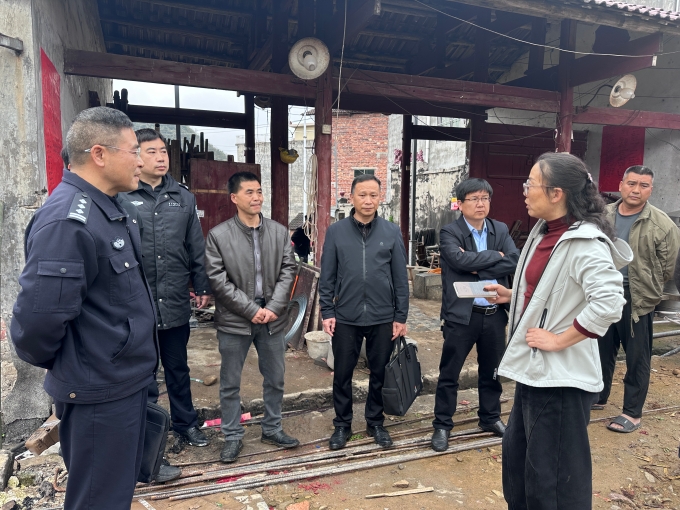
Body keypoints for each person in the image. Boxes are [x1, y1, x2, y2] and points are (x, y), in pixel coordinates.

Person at [10, 107, 161, 509]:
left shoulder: (108, 209)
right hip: (99, 393)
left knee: (114, 494)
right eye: (134, 151)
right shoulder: (68, 221)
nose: (142, 161)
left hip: (122, 383)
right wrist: (80, 362)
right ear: (99, 154)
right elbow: (37, 327)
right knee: (98, 500)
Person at [485, 152, 632, 510]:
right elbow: (552, 288)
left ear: (556, 193)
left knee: (553, 481)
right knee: (520, 465)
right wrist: (512, 296)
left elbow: (609, 303)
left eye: (531, 184)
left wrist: (559, 340)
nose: (524, 191)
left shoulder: (584, 242)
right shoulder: (545, 231)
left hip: (561, 380)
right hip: (534, 371)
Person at [125, 128, 212, 448]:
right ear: (136, 156)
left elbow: (195, 246)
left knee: (177, 367)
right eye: (152, 152)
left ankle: (185, 424)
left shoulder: (183, 198)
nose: (161, 157)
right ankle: (147, 435)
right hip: (137, 301)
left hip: (174, 298)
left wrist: (202, 286)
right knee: (142, 372)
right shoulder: (122, 196)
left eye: (163, 151)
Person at [205, 171, 298, 463]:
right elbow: (218, 280)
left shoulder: (279, 232)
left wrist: (274, 307)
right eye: (249, 192)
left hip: (272, 318)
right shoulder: (219, 235)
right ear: (234, 198)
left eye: (259, 191)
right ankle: (232, 435)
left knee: (276, 377)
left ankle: (272, 428)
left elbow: (288, 270)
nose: (257, 197)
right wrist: (250, 310)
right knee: (230, 382)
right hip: (235, 320)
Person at [319, 174, 409, 451]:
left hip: (383, 316)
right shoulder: (336, 232)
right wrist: (327, 311)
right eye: (362, 195)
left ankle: (375, 422)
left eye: (373, 195)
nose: (368, 200)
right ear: (352, 197)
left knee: (379, 372)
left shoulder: (391, 232)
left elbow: (400, 278)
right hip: (346, 316)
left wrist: (400, 316)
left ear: (380, 198)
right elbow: (327, 276)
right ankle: (342, 424)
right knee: (342, 373)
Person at [431, 178, 520, 452]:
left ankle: (490, 417)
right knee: (450, 372)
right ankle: (442, 424)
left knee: (491, 371)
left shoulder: (499, 228)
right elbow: (457, 261)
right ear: (460, 204)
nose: (481, 204)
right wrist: (496, 257)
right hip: (461, 316)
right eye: (474, 199)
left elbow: (514, 259)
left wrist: (475, 267)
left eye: (485, 198)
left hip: (493, 313)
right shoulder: (450, 231)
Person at [595, 165, 680, 433]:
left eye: (643, 185)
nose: (636, 190)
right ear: (621, 185)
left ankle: (632, 412)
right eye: (631, 183)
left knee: (637, 357)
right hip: (603, 293)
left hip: (636, 297)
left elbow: (666, 267)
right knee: (600, 349)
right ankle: (598, 396)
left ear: (650, 190)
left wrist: (647, 289)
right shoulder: (602, 215)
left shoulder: (662, 224)